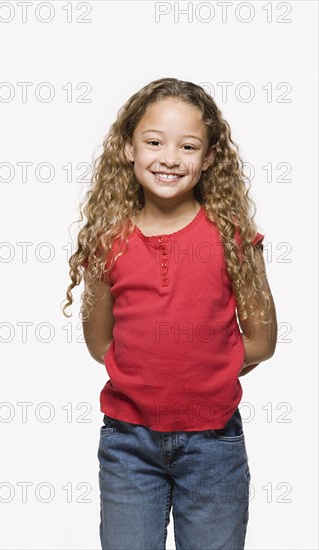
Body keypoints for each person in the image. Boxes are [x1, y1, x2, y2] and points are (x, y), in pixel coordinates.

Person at [62, 77, 278, 550]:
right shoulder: (108, 241)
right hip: (128, 446)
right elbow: (101, 343)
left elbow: (261, 339)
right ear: (127, 148)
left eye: (188, 146)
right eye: (155, 142)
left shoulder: (233, 239)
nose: (170, 158)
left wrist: (205, 368)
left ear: (211, 157)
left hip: (213, 445)